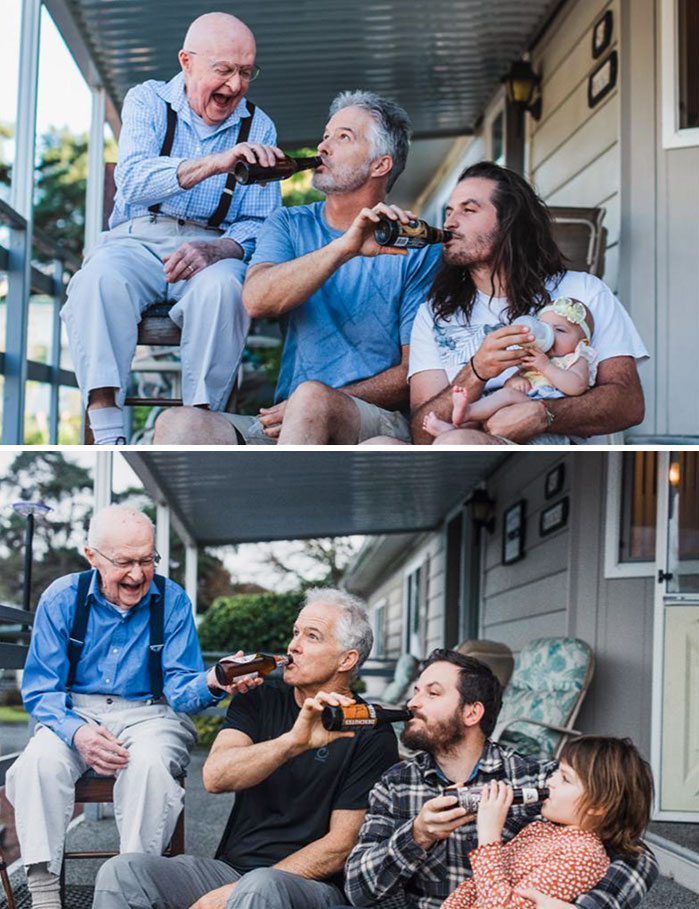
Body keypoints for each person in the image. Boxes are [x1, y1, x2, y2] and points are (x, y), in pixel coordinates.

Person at [153, 90, 442, 446]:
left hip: (374, 419)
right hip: (289, 421)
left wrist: (318, 401)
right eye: (325, 135)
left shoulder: (417, 248)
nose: (323, 147)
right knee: (179, 425)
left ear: (380, 165)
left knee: (312, 399)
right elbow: (257, 299)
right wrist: (344, 249)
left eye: (343, 137)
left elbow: (412, 373)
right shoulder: (288, 224)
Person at [5, 504, 257, 909]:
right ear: (92, 556)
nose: (138, 575)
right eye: (124, 562)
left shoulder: (172, 601)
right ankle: (45, 894)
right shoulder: (62, 598)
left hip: (151, 713)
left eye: (147, 560)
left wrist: (214, 680)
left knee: (150, 766)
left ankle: (130, 888)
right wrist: (78, 732)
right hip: (76, 712)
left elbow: (179, 690)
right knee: (39, 763)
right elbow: (42, 689)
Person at [92, 588, 400, 909]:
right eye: (296, 633)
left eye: (312, 636)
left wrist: (236, 891)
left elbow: (340, 846)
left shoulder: (370, 732)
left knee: (260, 886)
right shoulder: (259, 697)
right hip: (231, 870)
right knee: (123, 871)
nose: (294, 645)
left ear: (346, 659)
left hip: (311, 885)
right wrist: (292, 742)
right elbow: (216, 777)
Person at [61, 12, 283, 444]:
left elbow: (262, 222)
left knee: (225, 289)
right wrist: (217, 162)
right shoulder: (147, 101)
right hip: (136, 240)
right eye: (223, 70)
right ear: (187, 62)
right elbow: (135, 180)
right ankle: (107, 432)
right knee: (96, 281)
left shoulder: (261, 126)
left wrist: (218, 250)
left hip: (213, 248)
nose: (235, 85)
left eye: (245, 72)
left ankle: (198, 425)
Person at [342, 649, 658, 909]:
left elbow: (636, 854)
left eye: (433, 693)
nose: (412, 703)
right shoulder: (395, 784)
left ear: (471, 714)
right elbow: (357, 890)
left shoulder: (538, 780)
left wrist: (589, 908)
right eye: (415, 692)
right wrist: (417, 834)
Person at [366, 161, 648, 446]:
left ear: (510, 223)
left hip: (543, 450)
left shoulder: (584, 291)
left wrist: (543, 414)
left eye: (469, 210)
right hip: (462, 446)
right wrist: (476, 372)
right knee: (378, 447)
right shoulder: (435, 314)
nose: (449, 223)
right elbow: (423, 433)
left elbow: (628, 403)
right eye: (449, 211)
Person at [440, 735, 654, 908]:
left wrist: (488, 837)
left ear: (597, 807)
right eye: (556, 772)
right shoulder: (541, 829)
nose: (550, 781)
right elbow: (477, 887)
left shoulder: (582, 856)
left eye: (565, 778)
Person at [423, 298, 598, 439]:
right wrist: (516, 381)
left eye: (560, 330)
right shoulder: (535, 357)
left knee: (504, 399)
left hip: (542, 409)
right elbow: (514, 379)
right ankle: (455, 429)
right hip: (518, 405)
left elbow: (576, 386)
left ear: (583, 342)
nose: (550, 335)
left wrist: (545, 366)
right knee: (494, 400)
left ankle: (467, 413)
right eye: (545, 328)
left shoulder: (575, 358)